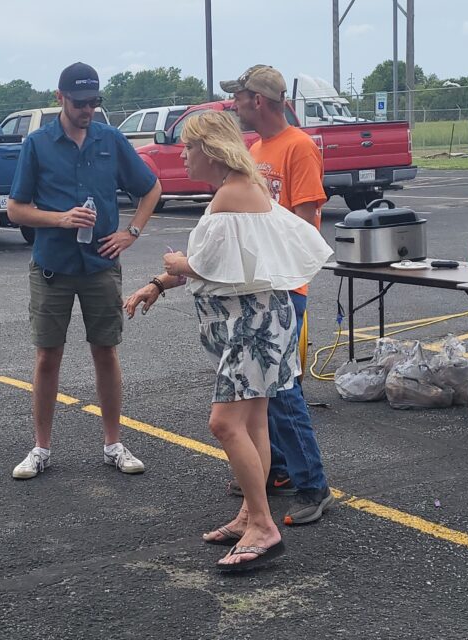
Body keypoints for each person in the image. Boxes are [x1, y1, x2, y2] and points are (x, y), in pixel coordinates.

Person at [124, 111, 332, 572]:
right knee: (254, 421)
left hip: (252, 326)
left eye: (188, 146)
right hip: (261, 319)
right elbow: (235, 261)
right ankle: (249, 515)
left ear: (211, 150)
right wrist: (158, 283)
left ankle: (262, 526)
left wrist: (177, 264)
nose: (182, 154)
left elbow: (204, 264)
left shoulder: (232, 195)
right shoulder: (247, 187)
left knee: (224, 423)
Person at [8, 62, 162, 480]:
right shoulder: (37, 144)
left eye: (94, 101)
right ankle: (41, 449)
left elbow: (151, 188)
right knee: (47, 356)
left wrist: (131, 232)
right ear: (60, 98)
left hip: (100, 265)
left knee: (105, 351)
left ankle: (113, 443)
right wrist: (60, 219)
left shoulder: (110, 139)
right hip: (52, 268)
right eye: (80, 102)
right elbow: (15, 208)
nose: (88, 109)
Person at [219, 64, 334, 525]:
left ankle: (314, 485)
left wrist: (273, 269)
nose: (234, 105)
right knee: (264, 386)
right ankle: (279, 470)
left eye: (239, 98)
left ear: (259, 101)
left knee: (282, 389)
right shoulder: (258, 148)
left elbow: (303, 225)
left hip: (285, 286)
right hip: (262, 285)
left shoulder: (299, 147)